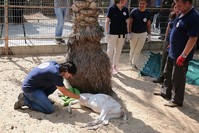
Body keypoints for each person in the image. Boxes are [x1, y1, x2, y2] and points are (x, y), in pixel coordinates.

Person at [154, 0, 199, 107]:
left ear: (187, 3)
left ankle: (177, 100)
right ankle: (167, 92)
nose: (177, 7)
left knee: (178, 77)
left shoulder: (194, 16)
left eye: (179, 5)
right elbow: (175, 29)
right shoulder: (182, 13)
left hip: (181, 54)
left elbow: (192, 38)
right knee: (167, 73)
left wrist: (183, 55)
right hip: (172, 50)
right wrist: (171, 44)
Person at [14, 61, 87, 114]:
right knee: (50, 110)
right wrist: (79, 97)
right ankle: (25, 101)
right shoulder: (55, 74)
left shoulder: (55, 65)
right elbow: (65, 92)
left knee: (59, 83)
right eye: (70, 75)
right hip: (30, 89)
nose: (69, 78)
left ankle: (42, 98)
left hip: (35, 85)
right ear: (66, 70)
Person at [153, 2, 180, 83]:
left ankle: (169, 79)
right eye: (175, 7)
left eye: (178, 7)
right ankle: (161, 76)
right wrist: (165, 39)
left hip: (174, 43)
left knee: (171, 61)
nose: (177, 9)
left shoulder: (181, 18)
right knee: (163, 59)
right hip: (168, 40)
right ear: (173, 8)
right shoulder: (172, 16)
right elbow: (168, 27)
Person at [105, 0, 130, 75]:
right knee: (110, 51)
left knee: (118, 51)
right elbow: (107, 21)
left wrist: (128, 33)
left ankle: (114, 66)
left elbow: (128, 22)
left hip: (122, 34)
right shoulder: (111, 8)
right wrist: (107, 33)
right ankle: (107, 66)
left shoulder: (125, 9)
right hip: (112, 33)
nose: (126, 1)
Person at [129, 0, 151, 70]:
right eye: (140, 3)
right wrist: (129, 33)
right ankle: (130, 61)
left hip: (143, 34)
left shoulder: (148, 13)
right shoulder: (134, 11)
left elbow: (148, 24)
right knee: (133, 48)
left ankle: (134, 63)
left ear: (146, 4)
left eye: (143, 4)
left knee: (138, 50)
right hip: (134, 33)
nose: (141, 5)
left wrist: (149, 34)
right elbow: (130, 23)